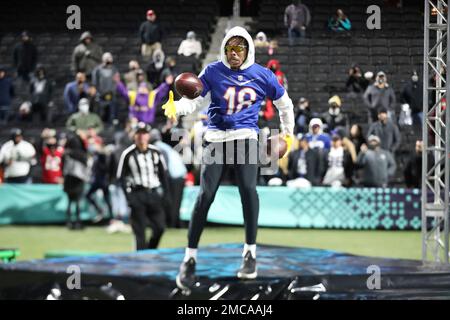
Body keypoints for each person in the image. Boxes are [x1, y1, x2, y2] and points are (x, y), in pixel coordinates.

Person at [161, 26, 295, 288]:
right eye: (230, 48)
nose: (234, 53)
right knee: (206, 195)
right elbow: (196, 101)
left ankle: (250, 253)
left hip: (245, 137)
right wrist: (177, 105)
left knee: (248, 189)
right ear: (224, 48)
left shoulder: (262, 74)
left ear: (248, 49)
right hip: (216, 138)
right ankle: (189, 258)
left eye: (239, 48)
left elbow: (285, 104)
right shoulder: (212, 71)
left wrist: (288, 134)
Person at [116, 122, 170, 250]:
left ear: (148, 136)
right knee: (139, 232)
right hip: (137, 193)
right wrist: (129, 197)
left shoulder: (156, 152)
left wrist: (166, 195)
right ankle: (140, 260)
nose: (142, 137)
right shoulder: (128, 154)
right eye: (139, 134)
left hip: (153, 193)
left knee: (160, 228)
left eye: (144, 133)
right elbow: (121, 177)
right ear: (134, 136)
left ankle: (151, 250)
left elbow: (164, 175)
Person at [150, 129, 187, 228]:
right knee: (176, 202)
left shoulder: (158, 147)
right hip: (180, 175)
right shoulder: (163, 146)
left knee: (172, 202)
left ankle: (172, 224)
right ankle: (175, 224)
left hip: (175, 176)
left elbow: (164, 166)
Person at [63, 131, 89, 230]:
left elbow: (64, 168)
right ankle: (78, 222)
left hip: (69, 179)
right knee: (77, 202)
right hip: (78, 180)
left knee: (70, 201)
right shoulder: (82, 154)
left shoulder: (67, 153)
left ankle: (69, 222)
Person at [92, 52, 119, 123]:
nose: (108, 60)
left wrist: (114, 90)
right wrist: (97, 92)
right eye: (106, 59)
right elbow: (95, 82)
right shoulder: (97, 69)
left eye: (109, 58)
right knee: (100, 112)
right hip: (101, 94)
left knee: (111, 112)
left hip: (111, 94)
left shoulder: (114, 69)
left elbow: (116, 81)